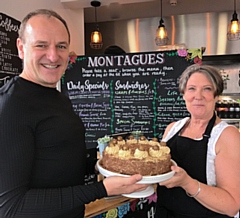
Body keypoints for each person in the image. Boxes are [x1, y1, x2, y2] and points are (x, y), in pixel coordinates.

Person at [0, 9, 149, 218]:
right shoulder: (11, 107)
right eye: (41, 45)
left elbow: (61, 160)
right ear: (21, 48)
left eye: (61, 46)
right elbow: (10, 208)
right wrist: (102, 189)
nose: (53, 56)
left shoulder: (58, 97)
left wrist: (113, 163)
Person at [156, 64, 240, 218]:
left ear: (217, 96)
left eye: (207, 89)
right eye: (192, 88)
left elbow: (232, 206)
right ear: (184, 94)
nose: (198, 96)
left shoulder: (227, 136)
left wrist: (187, 183)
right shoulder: (173, 129)